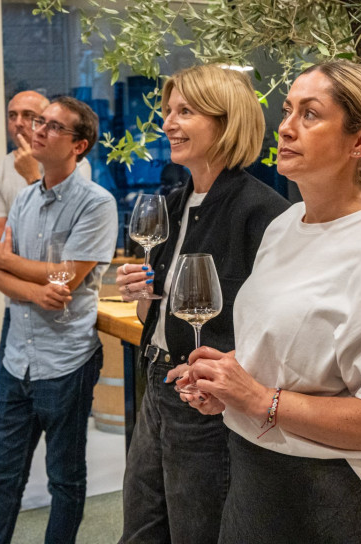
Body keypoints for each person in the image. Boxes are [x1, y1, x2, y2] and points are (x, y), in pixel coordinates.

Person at [176, 60, 361, 543]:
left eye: (310, 114)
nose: (286, 127)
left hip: (336, 492)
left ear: (360, 141)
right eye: (286, 110)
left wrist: (260, 400)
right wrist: (230, 381)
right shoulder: (284, 225)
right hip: (254, 475)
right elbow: (292, 353)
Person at [115, 64, 290, 544]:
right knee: (140, 530)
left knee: (197, 532)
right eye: (169, 111)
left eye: (185, 111)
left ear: (226, 121)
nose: (168, 123)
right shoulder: (172, 204)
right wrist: (143, 295)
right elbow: (152, 316)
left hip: (206, 401)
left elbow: (275, 333)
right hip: (157, 381)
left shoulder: (265, 213)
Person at [0, 96, 117, 544]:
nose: (38, 129)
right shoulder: (24, 200)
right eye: (40, 122)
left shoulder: (96, 203)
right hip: (17, 358)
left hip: (66, 361)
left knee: (65, 481)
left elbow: (69, 276)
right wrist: (35, 288)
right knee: (2, 479)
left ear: (79, 145)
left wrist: (10, 262)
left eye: (53, 126)